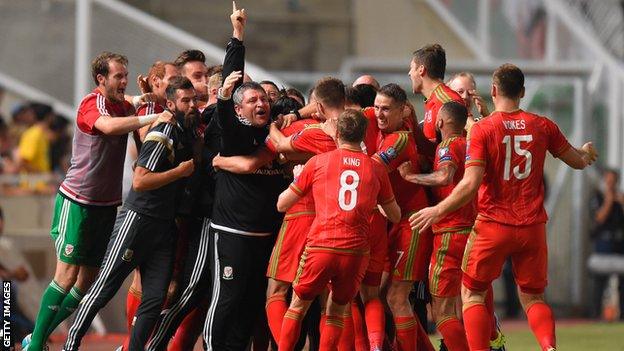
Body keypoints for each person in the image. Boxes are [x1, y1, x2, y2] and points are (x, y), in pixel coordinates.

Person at [410, 63, 597, 351]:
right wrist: (585, 153)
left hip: (493, 225)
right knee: (533, 298)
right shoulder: (543, 125)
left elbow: (470, 184)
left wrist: (438, 209)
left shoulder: (483, 130)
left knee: (471, 293)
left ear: (494, 91)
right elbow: (577, 161)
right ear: (522, 92)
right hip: (533, 227)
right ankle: (549, 347)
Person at [23, 52, 172, 351]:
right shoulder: (92, 104)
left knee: (86, 282)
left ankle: (37, 336)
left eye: (125, 75)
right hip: (77, 201)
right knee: (65, 277)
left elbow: (131, 100)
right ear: (101, 79)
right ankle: (36, 345)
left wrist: (144, 98)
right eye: (118, 76)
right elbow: (109, 127)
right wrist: (152, 115)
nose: (123, 80)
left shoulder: (120, 102)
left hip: (105, 205)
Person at [61, 76, 198, 351]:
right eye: (186, 100)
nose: (193, 105)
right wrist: (179, 172)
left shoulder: (185, 131)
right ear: (170, 103)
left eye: (194, 99)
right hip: (138, 220)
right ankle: (70, 345)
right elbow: (140, 180)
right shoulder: (164, 133)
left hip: (163, 226)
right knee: (104, 288)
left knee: (156, 297)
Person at [277, 109, 401, 351]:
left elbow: (282, 204)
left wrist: (297, 178)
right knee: (336, 311)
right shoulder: (376, 169)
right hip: (355, 253)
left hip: (321, 246)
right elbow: (395, 214)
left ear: (336, 132)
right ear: (364, 135)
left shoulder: (318, 162)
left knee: (298, 306)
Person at [202, 4, 288, 349]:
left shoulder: (274, 129)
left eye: (264, 98)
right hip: (232, 233)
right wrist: (238, 36)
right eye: (252, 100)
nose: (260, 102)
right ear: (239, 109)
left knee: (251, 307)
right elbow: (232, 87)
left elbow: (286, 112)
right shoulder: (235, 132)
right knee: (226, 301)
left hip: (265, 235)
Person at [399, 101, 474, 351]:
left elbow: (444, 176)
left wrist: (410, 177)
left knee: (442, 312)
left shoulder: (448, 145)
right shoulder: (470, 145)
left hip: (449, 233)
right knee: (461, 305)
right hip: (471, 232)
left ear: (440, 122)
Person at [366, 84, 432, 351]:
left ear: (402, 111)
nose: (379, 114)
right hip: (392, 221)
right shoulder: (379, 122)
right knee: (380, 295)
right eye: (377, 107)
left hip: (411, 223)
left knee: (396, 297)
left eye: (386, 109)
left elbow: (370, 169)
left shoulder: (400, 139)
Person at [408, 44, 463, 143]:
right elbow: (434, 148)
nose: (409, 73)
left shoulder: (447, 100)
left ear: (421, 70)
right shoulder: (433, 99)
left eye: (411, 68)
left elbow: (451, 148)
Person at [589, 168, 624, 319]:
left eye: (613, 181)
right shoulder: (598, 197)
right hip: (603, 248)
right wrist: (609, 201)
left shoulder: (621, 198)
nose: (610, 184)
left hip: (619, 247)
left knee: (622, 285)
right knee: (599, 283)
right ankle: (596, 315)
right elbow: (599, 218)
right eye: (608, 181)